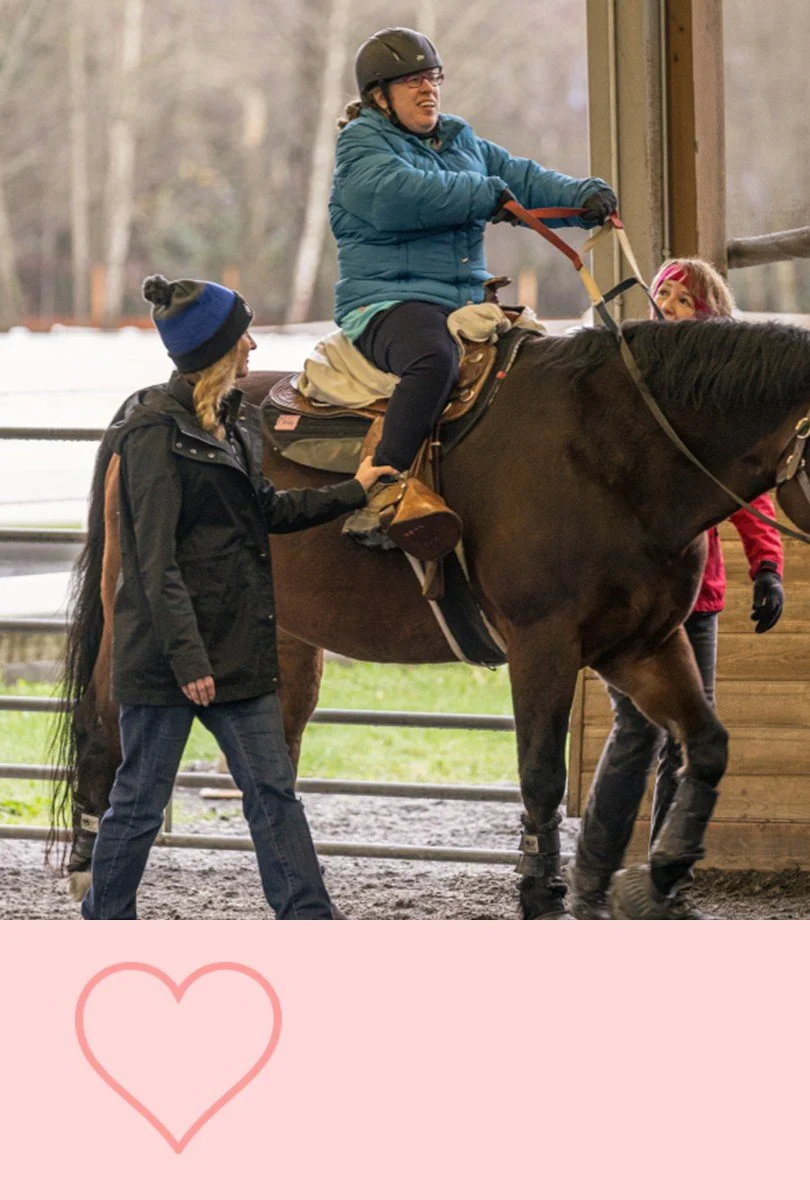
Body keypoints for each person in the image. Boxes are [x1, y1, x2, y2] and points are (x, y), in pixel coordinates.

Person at [81, 275, 395, 920]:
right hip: (171, 658)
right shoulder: (151, 435)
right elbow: (153, 562)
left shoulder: (235, 423)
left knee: (273, 792)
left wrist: (356, 491)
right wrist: (188, 660)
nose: (252, 345)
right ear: (215, 351)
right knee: (139, 803)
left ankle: (307, 918)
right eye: (241, 336)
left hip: (235, 648)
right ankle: (103, 922)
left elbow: (268, 511)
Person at [331, 26, 618, 552]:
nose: (429, 90)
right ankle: (383, 489)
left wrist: (584, 198)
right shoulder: (360, 145)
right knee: (433, 359)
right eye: (413, 81)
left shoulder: (459, 138)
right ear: (379, 97)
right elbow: (398, 197)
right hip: (388, 302)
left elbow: (520, 179)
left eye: (433, 78)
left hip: (462, 302)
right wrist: (483, 194)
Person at [566, 258, 785, 919]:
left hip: (698, 592)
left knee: (686, 736)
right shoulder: (635, 383)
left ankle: (659, 883)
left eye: (682, 298)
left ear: (707, 309)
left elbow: (746, 490)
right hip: (633, 591)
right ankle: (592, 877)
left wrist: (768, 565)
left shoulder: (716, 402)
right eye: (662, 294)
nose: (666, 304)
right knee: (639, 728)